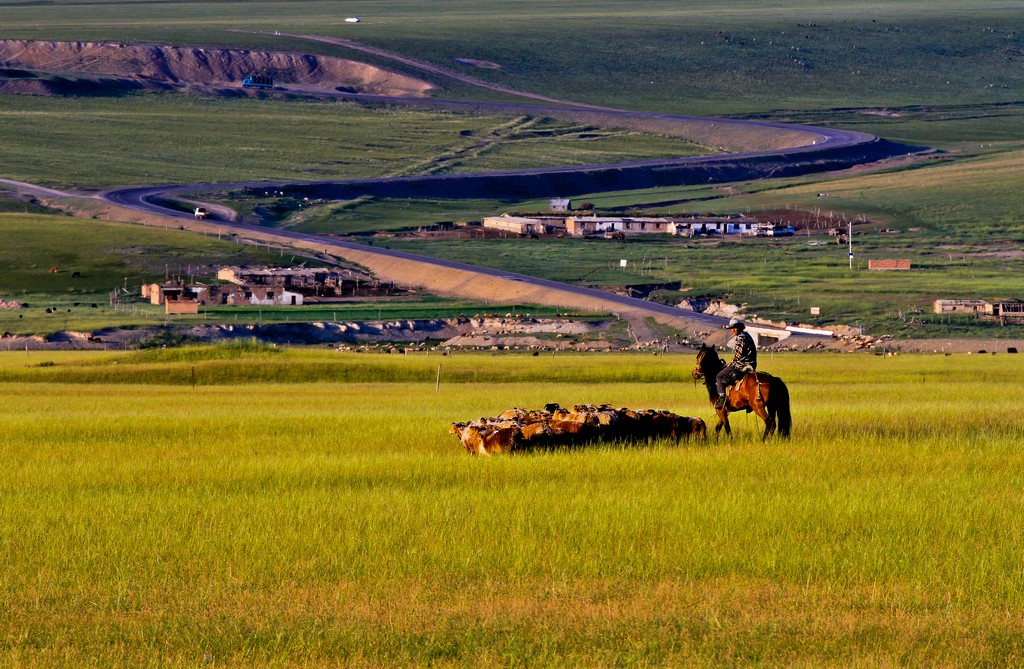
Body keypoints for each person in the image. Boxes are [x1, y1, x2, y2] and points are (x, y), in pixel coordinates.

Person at [715, 318, 757, 409]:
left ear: (739, 328)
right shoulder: (746, 335)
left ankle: (722, 399)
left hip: (742, 365)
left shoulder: (740, 338)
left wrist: (732, 362)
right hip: (751, 363)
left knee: (719, 377)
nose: (733, 330)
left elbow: (738, 355)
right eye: (731, 328)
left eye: (735, 328)